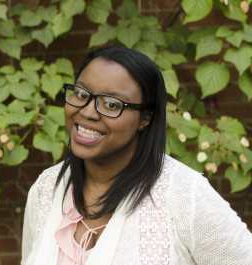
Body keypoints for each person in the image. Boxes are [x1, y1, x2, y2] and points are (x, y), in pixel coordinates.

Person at [21, 46, 252, 265]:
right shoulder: (47, 189)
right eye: (81, 94)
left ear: (145, 118)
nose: (88, 111)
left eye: (111, 104)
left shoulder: (183, 195)